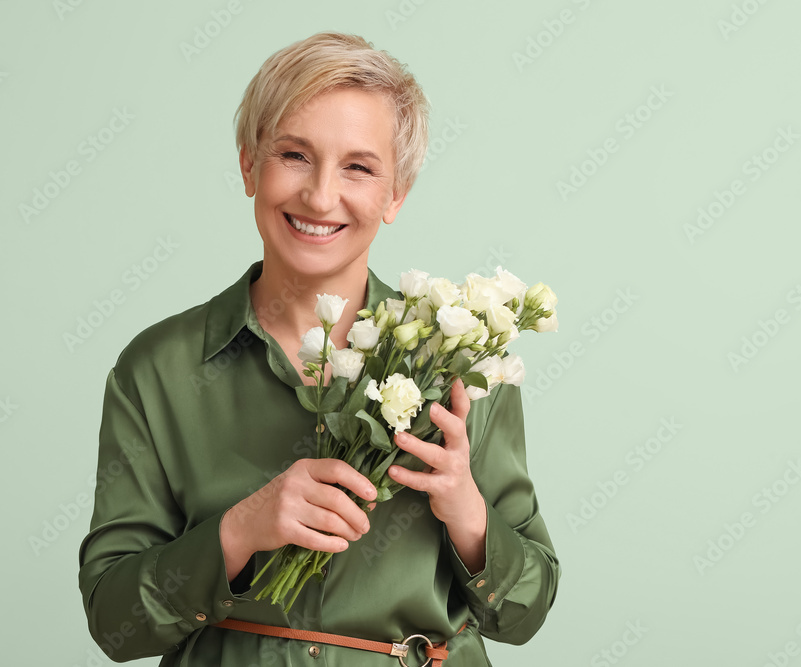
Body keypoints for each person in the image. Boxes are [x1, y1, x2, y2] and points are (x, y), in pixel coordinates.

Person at [78, 31, 560, 666]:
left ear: (396, 194)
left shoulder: (464, 365)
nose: (320, 196)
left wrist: (467, 511)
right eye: (294, 155)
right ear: (249, 165)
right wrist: (238, 532)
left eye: (358, 167)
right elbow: (115, 621)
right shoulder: (158, 369)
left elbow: (526, 612)